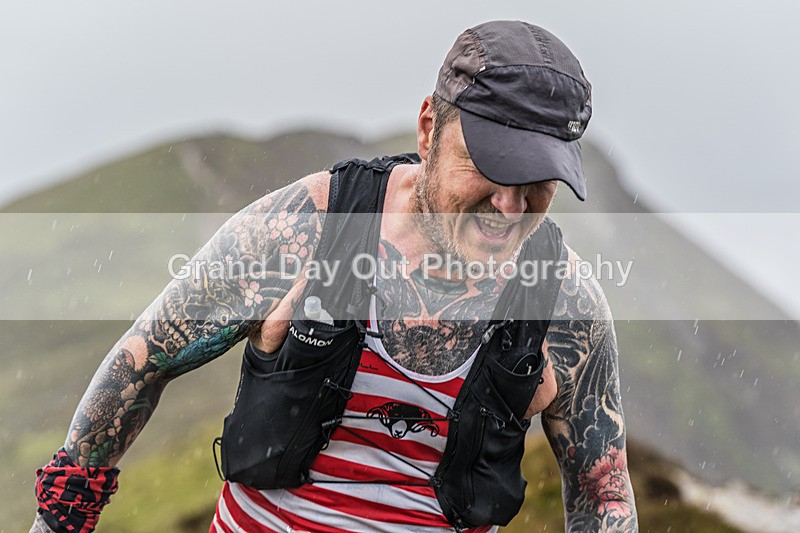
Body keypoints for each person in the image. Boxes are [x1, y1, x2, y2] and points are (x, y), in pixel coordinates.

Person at [32, 20, 637, 533]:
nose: (511, 205)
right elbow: (142, 363)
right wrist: (59, 520)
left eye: (538, 181)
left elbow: (603, 494)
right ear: (428, 129)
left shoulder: (562, 304)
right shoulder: (309, 228)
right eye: (492, 167)